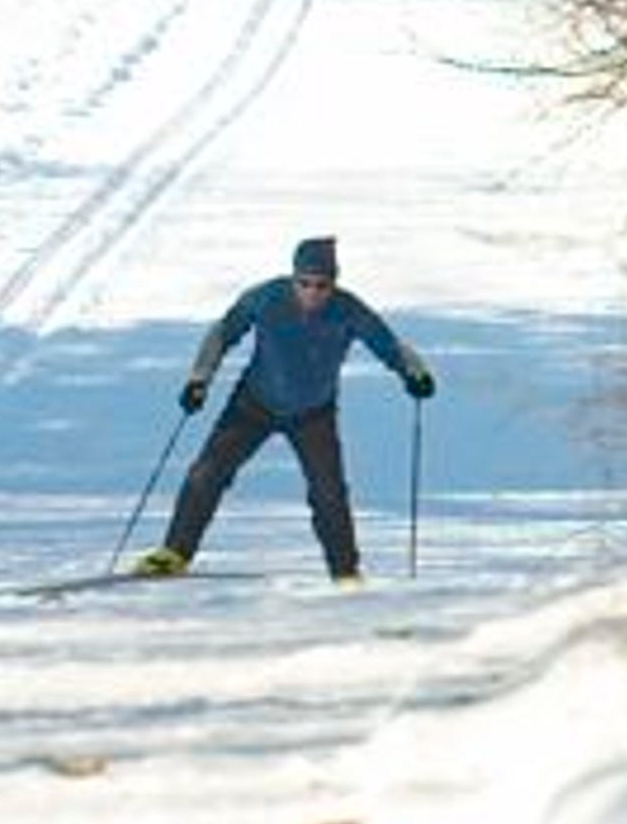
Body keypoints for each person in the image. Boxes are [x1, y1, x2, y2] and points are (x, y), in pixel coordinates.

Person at [134, 236, 433, 582]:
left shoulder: (349, 310)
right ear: (293, 278)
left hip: (313, 414)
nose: (313, 292)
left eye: (322, 285)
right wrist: (200, 379)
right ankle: (174, 553)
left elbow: (390, 346)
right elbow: (222, 333)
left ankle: (345, 573)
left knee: (329, 492)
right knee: (208, 472)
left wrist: (415, 374)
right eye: (304, 283)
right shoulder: (267, 298)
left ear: (333, 284)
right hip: (253, 404)